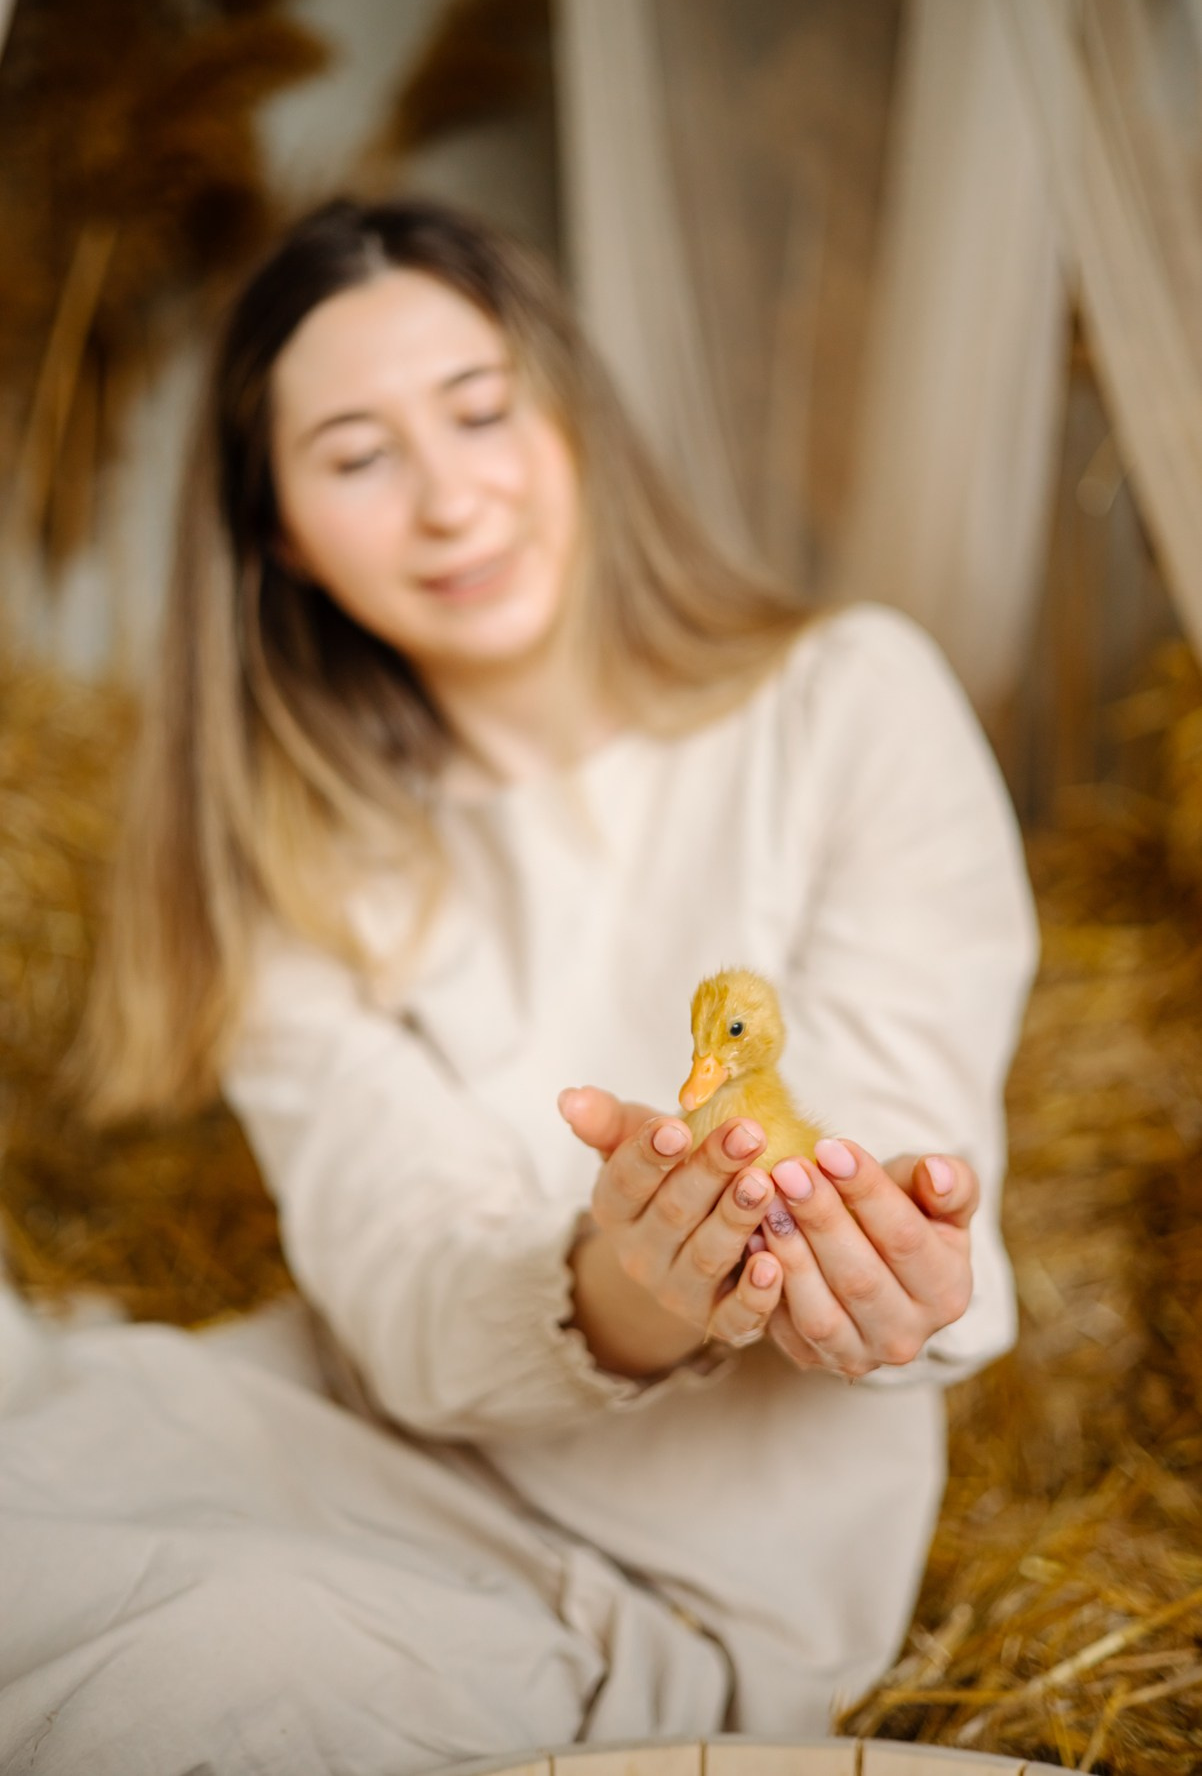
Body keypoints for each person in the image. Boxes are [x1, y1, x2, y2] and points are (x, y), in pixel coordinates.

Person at [0, 198, 1038, 1776]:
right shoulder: (294, 853)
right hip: (338, 1428)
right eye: (356, 457)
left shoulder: (848, 705)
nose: (449, 500)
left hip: (661, 1580)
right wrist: (620, 1276)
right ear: (278, 530)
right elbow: (407, 1278)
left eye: (481, 413)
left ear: (568, 419)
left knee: (181, 1665)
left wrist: (868, 1256)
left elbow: (892, 1129)